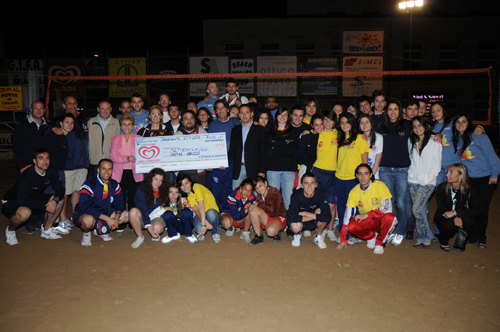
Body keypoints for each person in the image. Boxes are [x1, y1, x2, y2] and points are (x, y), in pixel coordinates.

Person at [452, 113, 500, 248]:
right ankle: (472, 235)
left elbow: (492, 157)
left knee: (482, 209)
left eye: (463, 121)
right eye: (457, 122)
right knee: (470, 208)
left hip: (484, 178)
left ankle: (482, 237)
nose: (460, 124)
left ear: (469, 123)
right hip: (468, 180)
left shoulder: (479, 137)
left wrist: (495, 174)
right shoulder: (458, 140)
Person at [3, 147, 65, 245]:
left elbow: (60, 189)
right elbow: (23, 200)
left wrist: (54, 201)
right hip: (13, 200)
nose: (45, 161)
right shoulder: (27, 176)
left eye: (47, 158)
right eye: (41, 158)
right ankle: (10, 230)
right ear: (34, 161)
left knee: (59, 200)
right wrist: (45, 207)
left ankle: (46, 231)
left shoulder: (51, 171)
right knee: (25, 213)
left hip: (32, 198)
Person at [336, 164, 398, 254]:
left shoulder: (380, 185)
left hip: (381, 219)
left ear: (371, 175)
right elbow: (347, 216)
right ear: (356, 176)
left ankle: (379, 243)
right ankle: (371, 236)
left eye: (366, 173)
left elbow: (387, 208)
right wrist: (343, 239)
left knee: (391, 218)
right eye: (360, 174)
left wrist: (367, 214)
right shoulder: (354, 192)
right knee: (351, 226)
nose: (363, 177)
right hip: (368, 221)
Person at [376, 98, 411, 246]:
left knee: (402, 203)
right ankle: (389, 229)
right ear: (386, 111)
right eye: (390, 109)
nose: (393, 112)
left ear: (400, 111)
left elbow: (425, 131)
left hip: (401, 170)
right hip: (384, 170)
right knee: (388, 203)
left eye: (396, 109)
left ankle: (400, 231)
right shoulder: (381, 127)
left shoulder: (407, 125)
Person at [73, 159, 129, 246]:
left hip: (104, 212)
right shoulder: (89, 184)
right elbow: (85, 206)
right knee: (88, 220)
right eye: (104, 168)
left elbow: (120, 203)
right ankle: (87, 234)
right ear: (98, 170)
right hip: (86, 213)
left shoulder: (114, 184)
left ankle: (100, 229)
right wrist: (107, 219)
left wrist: (117, 217)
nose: (107, 172)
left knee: (126, 215)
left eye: (110, 169)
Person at [407, 116, 442, 248]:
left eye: (419, 125)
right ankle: (422, 237)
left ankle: (427, 235)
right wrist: (411, 175)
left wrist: (429, 178)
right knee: (421, 210)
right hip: (412, 180)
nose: (417, 128)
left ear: (426, 126)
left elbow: (436, 165)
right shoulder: (411, 141)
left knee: (416, 208)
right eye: (414, 126)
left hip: (427, 182)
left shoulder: (435, 142)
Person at [335, 112, 369, 238]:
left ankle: (354, 233)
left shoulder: (360, 138)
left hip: (353, 179)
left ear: (352, 123)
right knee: (341, 206)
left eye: (347, 122)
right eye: (342, 122)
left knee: (353, 208)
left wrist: (364, 178)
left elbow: (365, 161)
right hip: (339, 178)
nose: (344, 125)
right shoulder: (340, 138)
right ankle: (344, 232)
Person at [306, 110, 338, 242]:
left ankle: (329, 229)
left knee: (331, 204)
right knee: (313, 201)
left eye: (330, 120)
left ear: (334, 122)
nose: (328, 123)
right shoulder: (317, 134)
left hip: (333, 174)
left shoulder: (339, 134)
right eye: (325, 120)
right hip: (318, 172)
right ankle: (308, 226)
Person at [434, 163, 480, 252]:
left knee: (470, 222)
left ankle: (461, 238)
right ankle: (443, 239)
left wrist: (457, 214)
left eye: (451, 172)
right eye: (447, 172)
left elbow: (477, 210)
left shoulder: (470, 189)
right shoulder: (442, 188)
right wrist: (455, 217)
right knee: (448, 225)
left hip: (461, 214)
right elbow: (442, 208)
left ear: (461, 176)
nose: (447, 175)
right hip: (445, 214)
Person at [206, 100, 240, 210]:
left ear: (227, 109)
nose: (220, 110)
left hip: (232, 162)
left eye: (222, 108)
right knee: (218, 191)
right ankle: (219, 215)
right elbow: (209, 145)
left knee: (230, 189)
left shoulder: (235, 122)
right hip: (218, 163)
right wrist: (212, 162)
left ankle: (230, 214)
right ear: (215, 111)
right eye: (218, 108)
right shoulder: (213, 125)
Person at [264, 107, 300, 210]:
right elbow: (268, 152)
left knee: (287, 199)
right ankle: (274, 222)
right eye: (280, 114)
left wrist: (275, 147)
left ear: (288, 117)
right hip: (272, 169)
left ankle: (286, 223)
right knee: (273, 199)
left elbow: (292, 149)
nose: (282, 117)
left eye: (285, 115)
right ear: (276, 117)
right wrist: (285, 145)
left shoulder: (294, 131)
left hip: (289, 169)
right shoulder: (269, 131)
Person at [287, 172, 331, 249]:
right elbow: (292, 216)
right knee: (295, 226)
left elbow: (327, 216)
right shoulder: (296, 195)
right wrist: (314, 214)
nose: (309, 186)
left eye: (312, 183)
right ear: (301, 185)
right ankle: (297, 234)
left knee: (323, 214)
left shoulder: (321, 195)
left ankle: (318, 236)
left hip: (312, 221)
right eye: (306, 183)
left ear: (316, 185)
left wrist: (303, 213)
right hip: (301, 221)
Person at [228, 104, 266, 190]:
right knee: (236, 194)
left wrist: (262, 170)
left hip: (255, 169)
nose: (244, 115)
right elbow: (232, 150)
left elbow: (263, 151)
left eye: (247, 112)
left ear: (251, 114)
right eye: (241, 113)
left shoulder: (260, 130)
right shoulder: (235, 130)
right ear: (238, 115)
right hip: (239, 168)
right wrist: (223, 162)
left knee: (256, 196)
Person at [128, 168, 170, 247]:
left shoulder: (164, 189)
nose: (158, 183)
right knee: (133, 211)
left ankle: (155, 232)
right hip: (144, 217)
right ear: (151, 178)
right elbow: (143, 210)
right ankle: (140, 236)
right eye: (156, 179)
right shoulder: (142, 189)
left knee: (158, 227)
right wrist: (150, 229)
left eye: (161, 180)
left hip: (156, 216)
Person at [110, 113, 144, 210]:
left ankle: (132, 220)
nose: (126, 127)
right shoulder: (115, 139)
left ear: (132, 125)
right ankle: (121, 222)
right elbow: (113, 156)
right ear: (121, 126)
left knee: (133, 197)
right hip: (119, 172)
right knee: (120, 197)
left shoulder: (139, 139)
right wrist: (127, 159)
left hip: (134, 172)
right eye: (124, 124)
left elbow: (142, 155)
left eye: (129, 124)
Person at [177, 172, 221, 243]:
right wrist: (206, 223)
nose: (185, 187)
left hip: (213, 214)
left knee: (211, 213)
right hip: (202, 215)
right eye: (182, 185)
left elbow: (201, 206)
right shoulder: (188, 196)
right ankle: (204, 229)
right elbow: (197, 211)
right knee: (198, 229)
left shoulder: (196, 187)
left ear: (190, 182)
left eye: (186, 183)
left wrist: (204, 224)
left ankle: (215, 232)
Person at [247, 176, 287, 245]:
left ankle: (276, 231)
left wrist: (259, 204)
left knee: (270, 232)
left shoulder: (275, 193)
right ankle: (258, 236)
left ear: (265, 183)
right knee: (252, 209)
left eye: (260, 186)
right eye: (256, 188)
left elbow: (274, 212)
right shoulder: (259, 196)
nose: (259, 189)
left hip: (278, 217)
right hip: (268, 216)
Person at [12, 100, 49, 174]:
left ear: (44, 110)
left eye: (41, 108)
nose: (38, 111)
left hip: (46, 167)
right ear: (31, 110)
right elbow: (16, 147)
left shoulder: (49, 126)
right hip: (28, 167)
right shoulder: (22, 125)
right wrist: (22, 165)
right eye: (36, 108)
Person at [174, 110, 208, 185]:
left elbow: (209, 153)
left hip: (200, 174)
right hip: (181, 174)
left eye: (191, 118)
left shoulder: (204, 134)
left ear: (195, 120)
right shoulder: (176, 136)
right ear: (182, 121)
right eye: (186, 118)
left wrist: (211, 164)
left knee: (199, 196)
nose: (189, 121)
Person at [88, 100, 120, 175]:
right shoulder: (91, 122)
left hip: (111, 160)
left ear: (111, 109)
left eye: (107, 108)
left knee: (109, 184)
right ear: (98, 109)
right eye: (102, 108)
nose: (105, 111)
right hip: (95, 160)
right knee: (96, 184)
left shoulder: (117, 123)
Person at [358, 113, 383, 179]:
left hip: (373, 174)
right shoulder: (357, 138)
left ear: (371, 123)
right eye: (361, 123)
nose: (364, 125)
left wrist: (370, 176)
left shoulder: (378, 137)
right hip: (360, 175)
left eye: (367, 122)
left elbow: (377, 161)